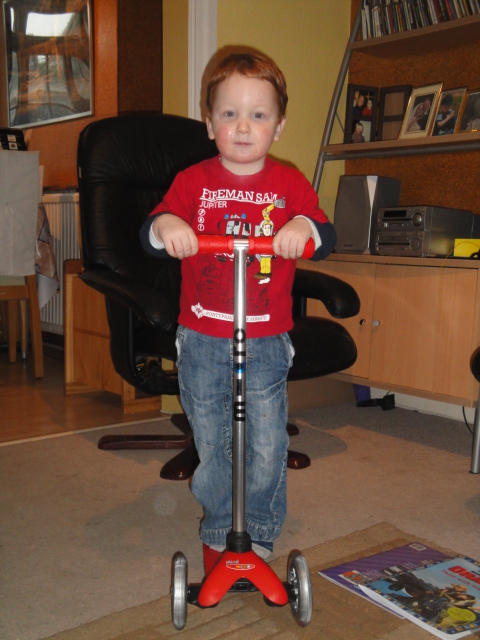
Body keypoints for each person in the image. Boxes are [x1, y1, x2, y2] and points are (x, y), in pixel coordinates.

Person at [139, 52, 336, 574]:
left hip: (266, 336)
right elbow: (151, 230)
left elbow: (325, 234)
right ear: (210, 124)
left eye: (258, 115)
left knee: (267, 439)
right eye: (229, 114)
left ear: (279, 125)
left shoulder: (289, 184)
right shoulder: (192, 181)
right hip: (202, 335)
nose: (243, 126)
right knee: (213, 437)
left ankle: (260, 531)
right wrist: (167, 227)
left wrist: (303, 228)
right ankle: (220, 526)